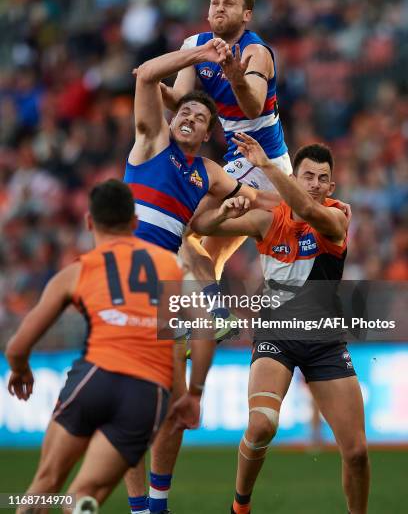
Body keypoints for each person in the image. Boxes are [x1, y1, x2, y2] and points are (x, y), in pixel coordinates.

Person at [123, 39, 280, 514]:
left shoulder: (207, 172)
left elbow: (255, 202)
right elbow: (146, 74)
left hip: (168, 290)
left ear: (210, 131)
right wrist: (198, 55)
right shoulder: (151, 142)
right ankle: (137, 509)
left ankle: (158, 504)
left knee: (173, 410)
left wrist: (264, 200)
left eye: (202, 117)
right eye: (184, 112)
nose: (190, 117)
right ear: (171, 120)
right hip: (129, 283)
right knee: (133, 411)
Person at [5, 179, 215, 514]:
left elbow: (17, 347)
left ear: (90, 222)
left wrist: (19, 370)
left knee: (45, 484)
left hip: (95, 378)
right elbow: (206, 325)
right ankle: (79, 505)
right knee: (86, 490)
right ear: (134, 223)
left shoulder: (78, 271)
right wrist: (194, 394)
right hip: (145, 395)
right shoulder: (171, 267)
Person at [191, 134, 369, 514]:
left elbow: (305, 210)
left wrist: (268, 167)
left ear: (331, 186)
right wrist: (224, 211)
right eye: (308, 176)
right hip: (276, 335)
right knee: (262, 425)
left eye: (323, 178)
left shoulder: (336, 217)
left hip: (325, 341)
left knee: (355, 453)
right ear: (297, 176)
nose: (316, 184)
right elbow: (197, 225)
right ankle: (241, 505)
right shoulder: (266, 219)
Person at [160, 0, 292, 279]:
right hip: (243, 160)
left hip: (262, 161)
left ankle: (200, 315)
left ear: (246, 15)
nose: (220, 8)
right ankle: (215, 321)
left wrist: (236, 77)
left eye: (229, 3)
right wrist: (155, 87)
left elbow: (254, 106)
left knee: (182, 224)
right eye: (215, 2)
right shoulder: (195, 47)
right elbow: (181, 100)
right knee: (212, 252)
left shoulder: (255, 52)